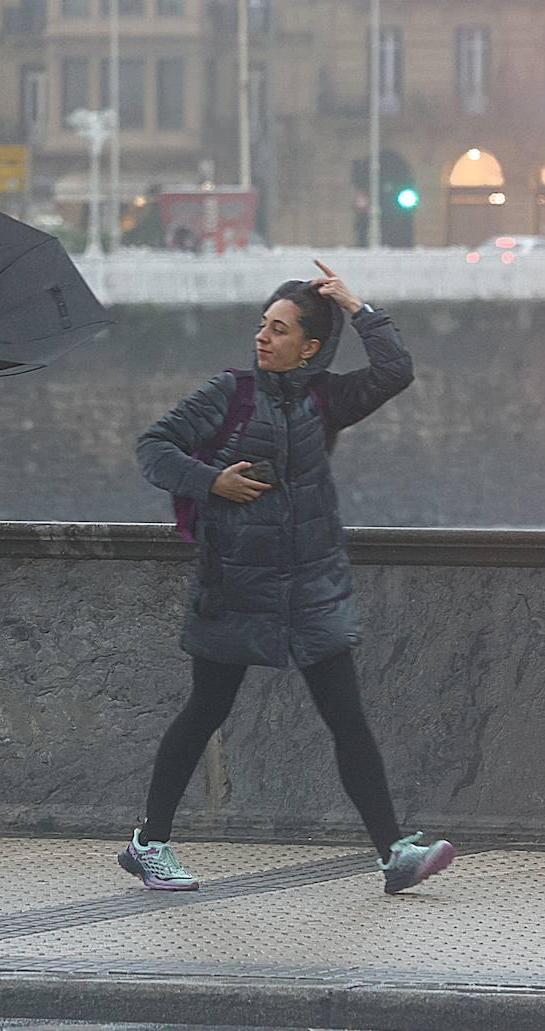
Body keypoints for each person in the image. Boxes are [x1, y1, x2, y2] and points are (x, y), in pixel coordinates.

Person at [120, 260, 454, 896]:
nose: (263, 337)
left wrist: (357, 307)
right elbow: (153, 447)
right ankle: (148, 844)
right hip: (235, 588)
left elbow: (395, 372)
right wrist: (210, 481)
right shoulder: (230, 393)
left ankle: (394, 855)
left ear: (310, 347)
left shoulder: (324, 400)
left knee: (347, 717)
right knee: (205, 710)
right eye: (262, 325)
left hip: (312, 590)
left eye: (279, 329)